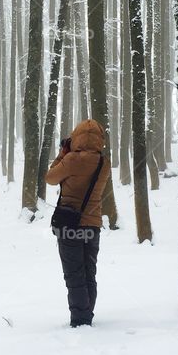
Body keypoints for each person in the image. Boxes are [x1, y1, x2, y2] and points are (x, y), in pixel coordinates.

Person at [45, 119, 111, 327]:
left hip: (69, 226)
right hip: (93, 225)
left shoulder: (71, 159)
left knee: (74, 274)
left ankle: (81, 320)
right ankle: (87, 313)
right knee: (89, 272)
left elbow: (50, 177)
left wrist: (63, 153)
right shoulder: (103, 162)